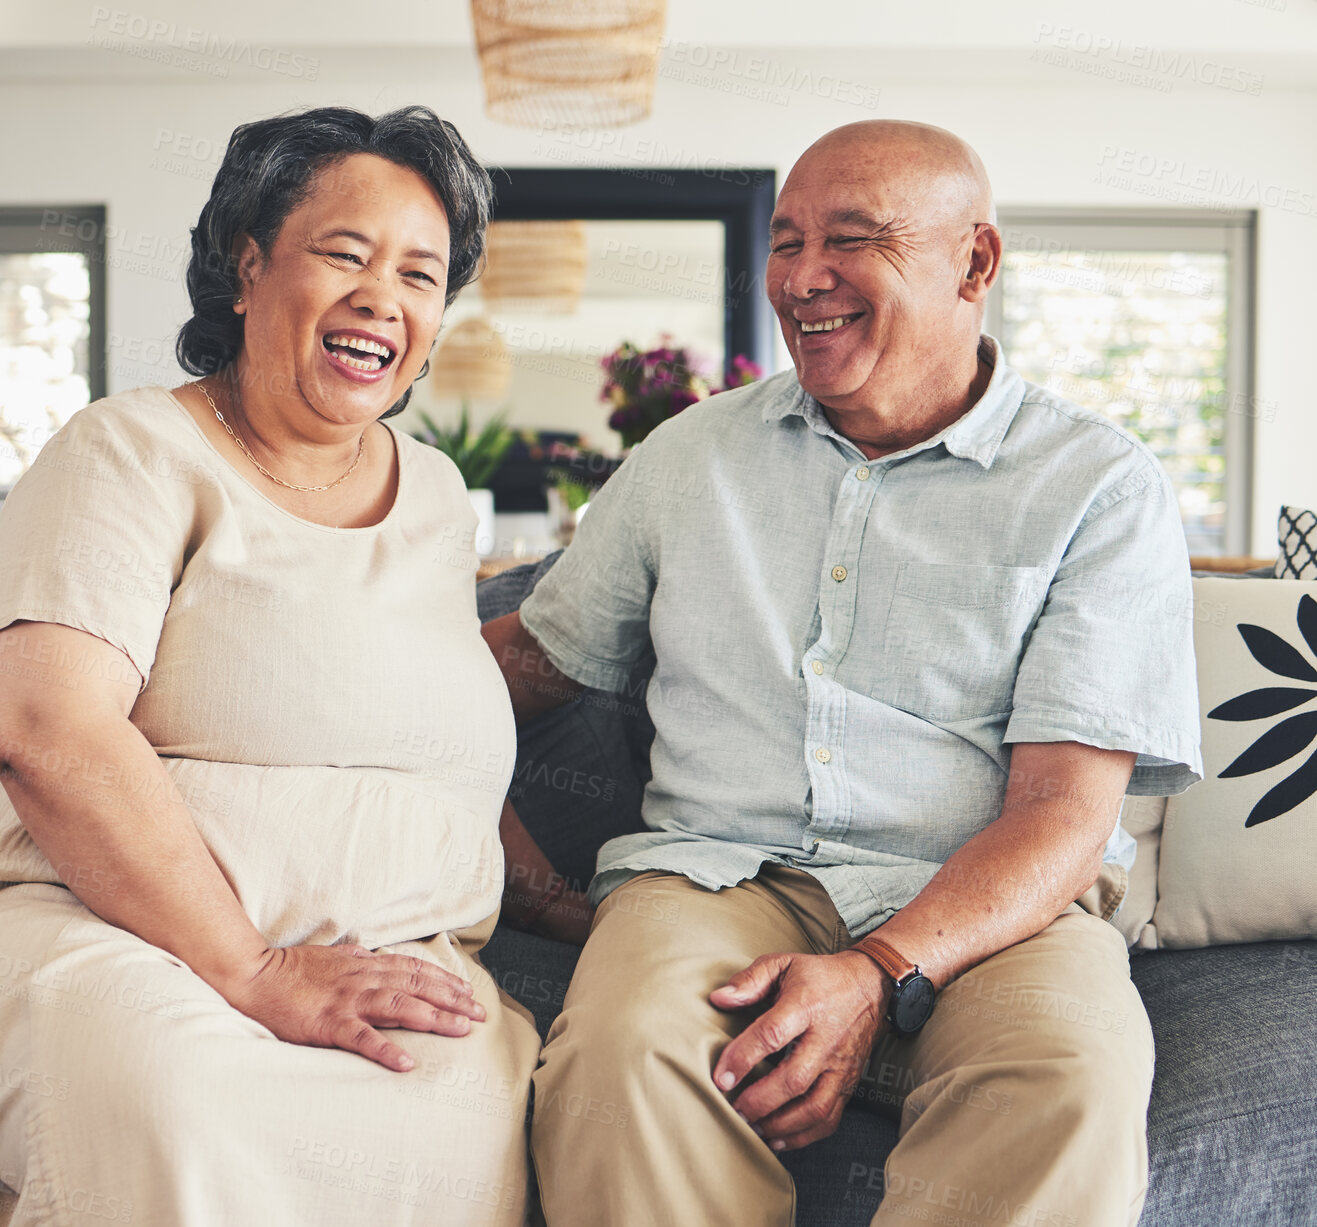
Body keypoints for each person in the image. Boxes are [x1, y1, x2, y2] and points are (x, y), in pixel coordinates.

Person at [484, 120, 1202, 1227]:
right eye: (786, 240)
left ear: (976, 264)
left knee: (1066, 1085)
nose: (802, 279)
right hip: (714, 878)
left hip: (991, 904)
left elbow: (1064, 811)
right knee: (619, 1067)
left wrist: (879, 972)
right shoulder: (690, 457)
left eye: (852, 239)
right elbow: (527, 664)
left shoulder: (1098, 488)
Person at [0, 105, 539, 1225]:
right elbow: (45, 734)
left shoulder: (442, 496)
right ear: (247, 269)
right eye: (344, 254)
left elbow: (430, 741)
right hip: (89, 924)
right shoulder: (128, 453)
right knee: (181, 1093)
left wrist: (565, 902)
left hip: (380, 950)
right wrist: (257, 972)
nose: (383, 299)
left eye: (420, 274)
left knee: (462, 1108)